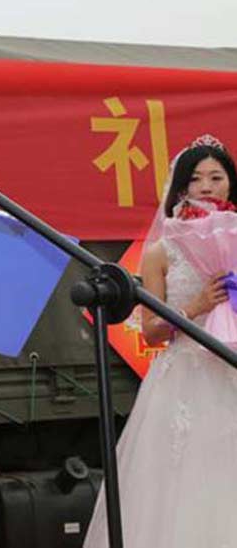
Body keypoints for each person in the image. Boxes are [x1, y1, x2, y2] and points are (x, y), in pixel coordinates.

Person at [83, 135, 237, 547]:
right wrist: (197, 306)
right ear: (181, 187)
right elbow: (150, 330)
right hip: (186, 374)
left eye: (216, 177)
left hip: (232, 368)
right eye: (197, 178)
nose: (206, 186)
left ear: (230, 184)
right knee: (183, 482)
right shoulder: (161, 251)